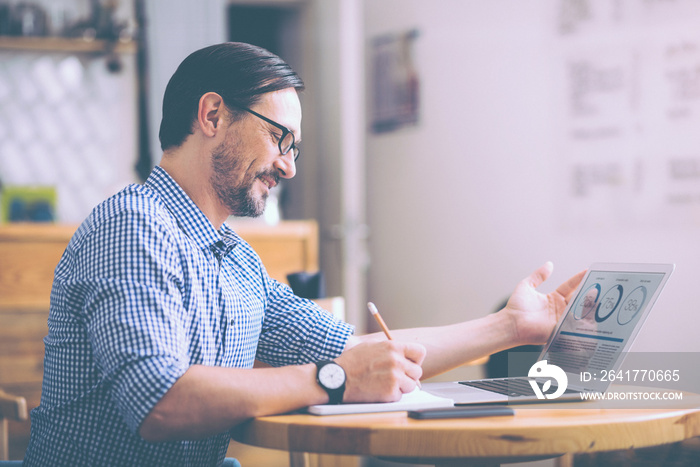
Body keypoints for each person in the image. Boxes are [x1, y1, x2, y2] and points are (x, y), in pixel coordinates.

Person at [23, 42, 584, 466]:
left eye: (294, 149)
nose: (289, 167)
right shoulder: (134, 225)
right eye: (279, 139)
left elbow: (365, 353)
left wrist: (511, 327)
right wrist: (335, 379)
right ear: (213, 116)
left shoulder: (235, 260)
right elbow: (159, 402)